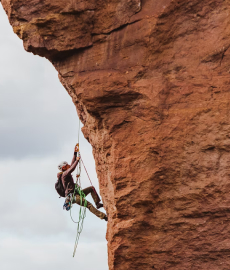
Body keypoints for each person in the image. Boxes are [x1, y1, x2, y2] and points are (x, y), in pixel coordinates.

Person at [57, 145, 108, 221]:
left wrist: (75, 153)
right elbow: (72, 168)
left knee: (91, 188)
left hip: (76, 193)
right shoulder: (64, 175)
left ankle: (97, 203)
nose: (69, 165)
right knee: (89, 205)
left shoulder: (65, 173)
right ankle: (103, 216)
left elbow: (72, 164)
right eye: (67, 165)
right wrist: (77, 160)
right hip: (73, 197)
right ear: (64, 168)